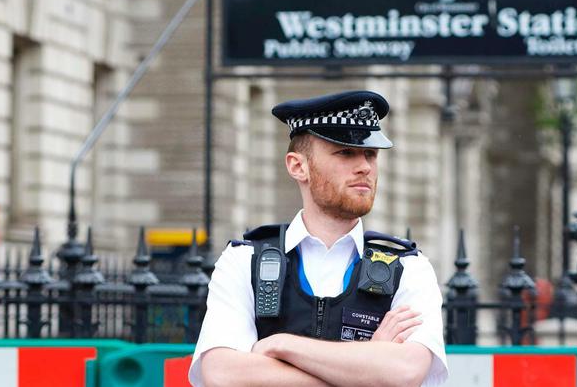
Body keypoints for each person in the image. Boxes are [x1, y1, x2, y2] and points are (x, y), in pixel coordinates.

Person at [188, 90, 448, 386]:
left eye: (370, 154)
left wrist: (281, 345)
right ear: (298, 166)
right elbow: (223, 375)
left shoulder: (409, 268)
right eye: (345, 153)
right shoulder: (244, 261)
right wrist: (366, 365)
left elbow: (404, 372)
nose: (364, 166)